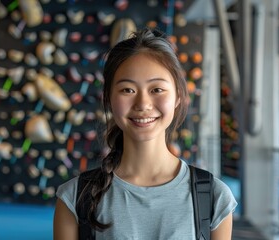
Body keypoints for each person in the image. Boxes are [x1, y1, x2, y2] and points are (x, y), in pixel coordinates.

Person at [53, 28, 237, 240]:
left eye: (157, 89)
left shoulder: (213, 197)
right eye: (127, 90)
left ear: (178, 96)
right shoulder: (74, 198)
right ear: (109, 99)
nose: (143, 104)